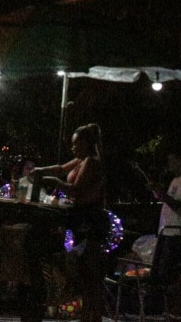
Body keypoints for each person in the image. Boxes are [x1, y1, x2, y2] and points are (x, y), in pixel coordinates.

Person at [34, 123, 107, 322]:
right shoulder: (81, 160)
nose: (73, 148)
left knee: (90, 272)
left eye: (76, 144)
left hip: (90, 222)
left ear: (86, 143)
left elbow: (75, 190)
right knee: (81, 270)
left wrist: (54, 182)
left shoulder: (91, 162)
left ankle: (94, 315)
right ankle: (87, 314)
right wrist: (41, 170)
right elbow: (60, 168)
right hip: (80, 220)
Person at [154, 150, 181, 318]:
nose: (169, 164)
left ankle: (178, 309)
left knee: (174, 273)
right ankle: (172, 308)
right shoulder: (175, 180)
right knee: (167, 272)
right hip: (169, 232)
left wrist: (161, 192)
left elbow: (177, 205)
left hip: (178, 233)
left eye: (172, 160)